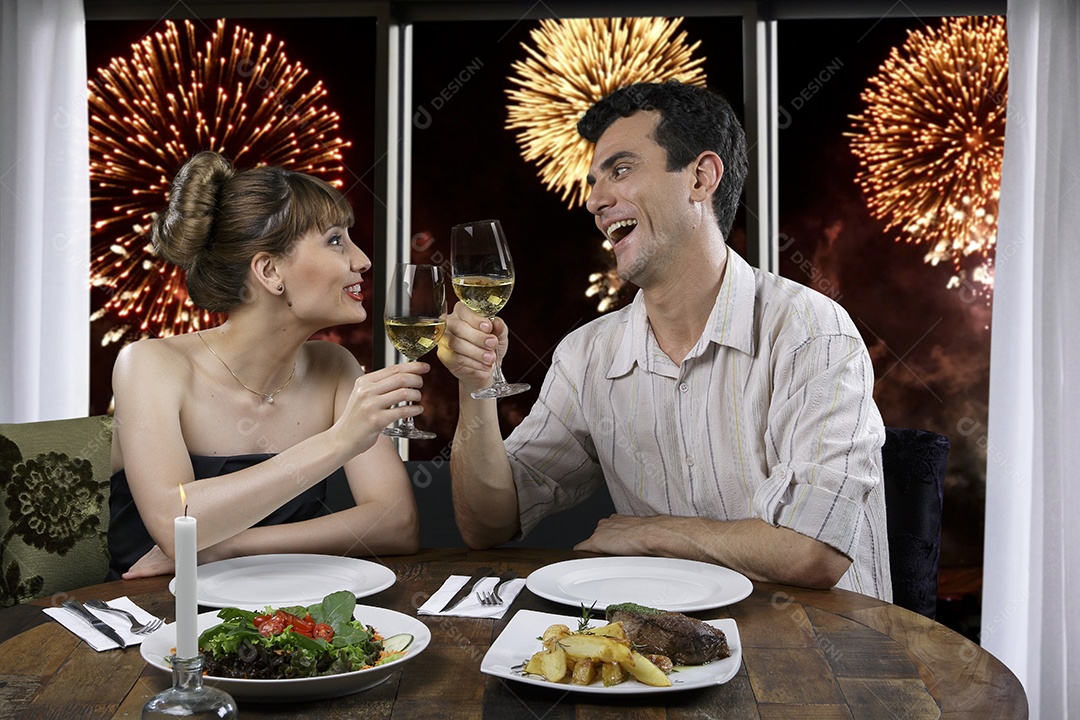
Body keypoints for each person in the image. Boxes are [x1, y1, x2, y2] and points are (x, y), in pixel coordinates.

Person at [437, 81, 892, 599]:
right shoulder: (585, 355)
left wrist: (651, 534)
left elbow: (814, 551)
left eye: (621, 170)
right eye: (594, 181)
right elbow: (488, 523)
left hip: (828, 642)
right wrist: (474, 384)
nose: (595, 201)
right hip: (665, 641)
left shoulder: (812, 332)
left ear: (701, 177)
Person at [107, 151, 424, 580]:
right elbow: (174, 524)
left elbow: (397, 524)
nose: (362, 260)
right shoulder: (150, 364)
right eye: (335, 240)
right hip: (151, 610)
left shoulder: (335, 366)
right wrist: (338, 442)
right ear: (270, 271)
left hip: (290, 607)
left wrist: (229, 547)